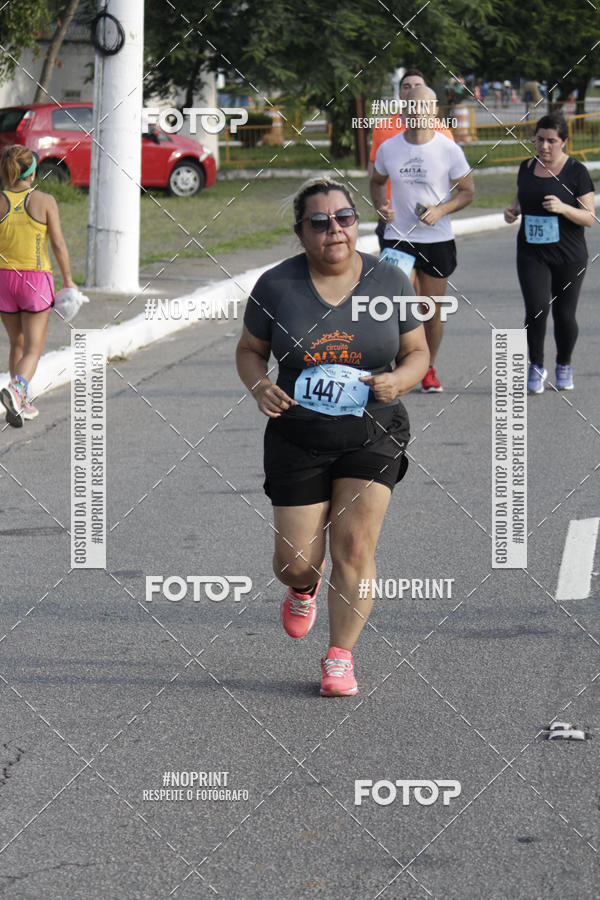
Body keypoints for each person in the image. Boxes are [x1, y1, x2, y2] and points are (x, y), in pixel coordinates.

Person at [235, 177, 429, 697]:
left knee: (355, 545)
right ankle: (303, 587)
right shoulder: (277, 286)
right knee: (296, 560)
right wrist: (260, 386)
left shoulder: (388, 282)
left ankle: (340, 656)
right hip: (298, 434)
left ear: (356, 222)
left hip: (372, 430)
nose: (334, 230)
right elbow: (250, 350)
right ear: (301, 233)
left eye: (344, 218)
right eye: (319, 223)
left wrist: (400, 379)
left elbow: (417, 353)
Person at [370, 86, 475, 393]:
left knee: (430, 311)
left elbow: (468, 192)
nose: (416, 112)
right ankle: (395, 363)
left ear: (434, 111)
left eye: (423, 107)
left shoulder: (448, 149)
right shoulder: (389, 148)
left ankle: (428, 367)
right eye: (411, 107)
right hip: (398, 237)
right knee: (394, 306)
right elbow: (376, 181)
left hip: (436, 238)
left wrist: (441, 210)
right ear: (403, 111)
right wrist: (381, 207)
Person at [503, 114, 594, 393]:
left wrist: (564, 208)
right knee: (537, 309)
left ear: (564, 142)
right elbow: (520, 197)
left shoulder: (576, 171)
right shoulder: (526, 167)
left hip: (569, 254)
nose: (544, 146)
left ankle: (563, 363)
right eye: (540, 139)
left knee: (565, 315)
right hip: (532, 253)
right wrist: (512, 210)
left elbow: (589, 217)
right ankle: (536, 366)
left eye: (551, 141)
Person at [0, 145, 75, 426]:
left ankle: (20, 403)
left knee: (16, 342)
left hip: (3, 279)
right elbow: (57, 243)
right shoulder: (44, 201)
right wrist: (68, 280)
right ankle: (17, 389)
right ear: (31, 172)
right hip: (34, 281)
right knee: (33, 348)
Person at [368, 69, 454, 253]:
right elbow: (374, 168)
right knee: (399, 276)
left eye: (418, 86)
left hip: (427, 216)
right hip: (393, 216)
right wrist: (380, 203)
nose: (412, 90)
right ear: (400, 94)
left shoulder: (441, 131)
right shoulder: (383, 128)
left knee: (429, 276)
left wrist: (440, 209)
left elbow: (452, 176)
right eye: (406, 87)